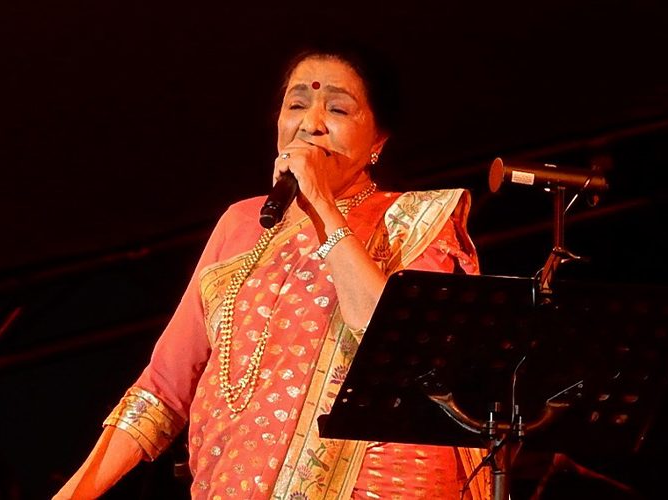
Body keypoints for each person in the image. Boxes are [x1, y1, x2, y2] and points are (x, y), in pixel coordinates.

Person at [55, 41, 490, 499]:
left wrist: (321, 205)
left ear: (378, 140)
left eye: (337, 110)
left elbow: (402, 344)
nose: (311, 124)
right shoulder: (240, 223)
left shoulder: (414, 222)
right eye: (296, 105)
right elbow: (162, 391)